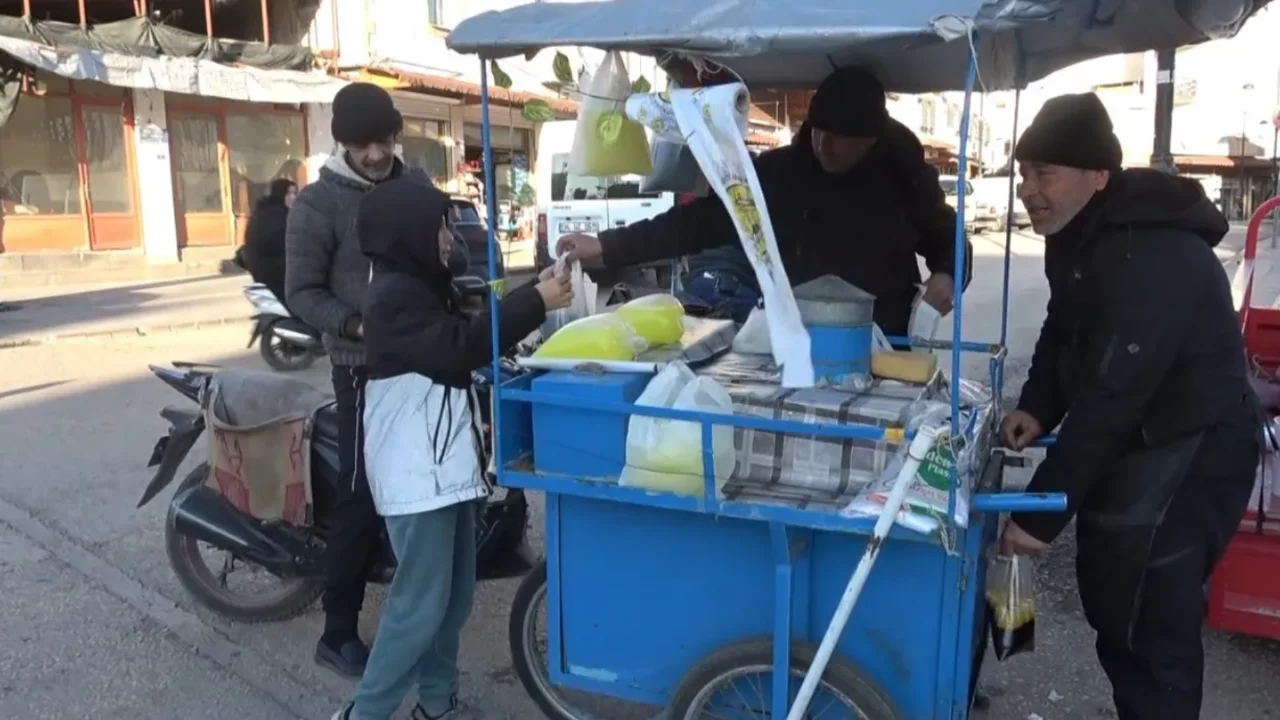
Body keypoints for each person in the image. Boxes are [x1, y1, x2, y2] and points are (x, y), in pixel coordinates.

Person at [996, 93, 1259, 720]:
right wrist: (1037, 406)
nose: (1028, 190)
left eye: (1045, 174)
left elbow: (1113, 398)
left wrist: (1039, 517)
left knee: (1150, 614)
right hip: (1142, 437)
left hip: (1194, 449)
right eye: (1023, 174)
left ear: (1097, 176)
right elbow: (1064, 331)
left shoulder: (1152, 255)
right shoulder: (1080, 236)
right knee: (1117, 595)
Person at [331, 178, 571, 720]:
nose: (448, 236)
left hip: (444, 467)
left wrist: (534, 287)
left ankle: (436, 705)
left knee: (453, 597)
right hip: (419, 475)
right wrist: (536, 300)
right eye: (439, 224)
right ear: (407, 233)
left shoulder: (417, 287)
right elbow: (462, 348)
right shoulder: (391, 299)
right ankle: (364, 713)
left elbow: (470, 331)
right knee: (419, 607)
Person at [557, 65, 970, 335]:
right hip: (793, 338)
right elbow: (697, 222)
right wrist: (606, 246)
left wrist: (948, 273)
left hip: (883, 340)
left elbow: (947, 236)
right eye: (818, 131)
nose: (825, 146)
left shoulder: (902, 176)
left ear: (870, 142)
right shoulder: (777, 174)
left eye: (842, 142)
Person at [285, 81, 428, 678]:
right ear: (343, 143)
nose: (375, 153)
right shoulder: (319, 204)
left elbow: (444, 253)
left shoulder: (416, 186)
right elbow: (300, 292)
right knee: (362, 496)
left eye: (384, 139)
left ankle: (420, 605)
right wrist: (350, 324)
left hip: (424, 357)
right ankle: (337, 628)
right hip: (359, 368)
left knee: (429, 484)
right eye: (362, 143)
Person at [242, 178, 297, 302]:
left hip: (266, 274)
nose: (293, 197)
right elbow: (284, 246)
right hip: (276, 276)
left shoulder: (264, 212)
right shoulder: (276, 217)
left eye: (295, 193)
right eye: (289, 193)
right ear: (280, 194)